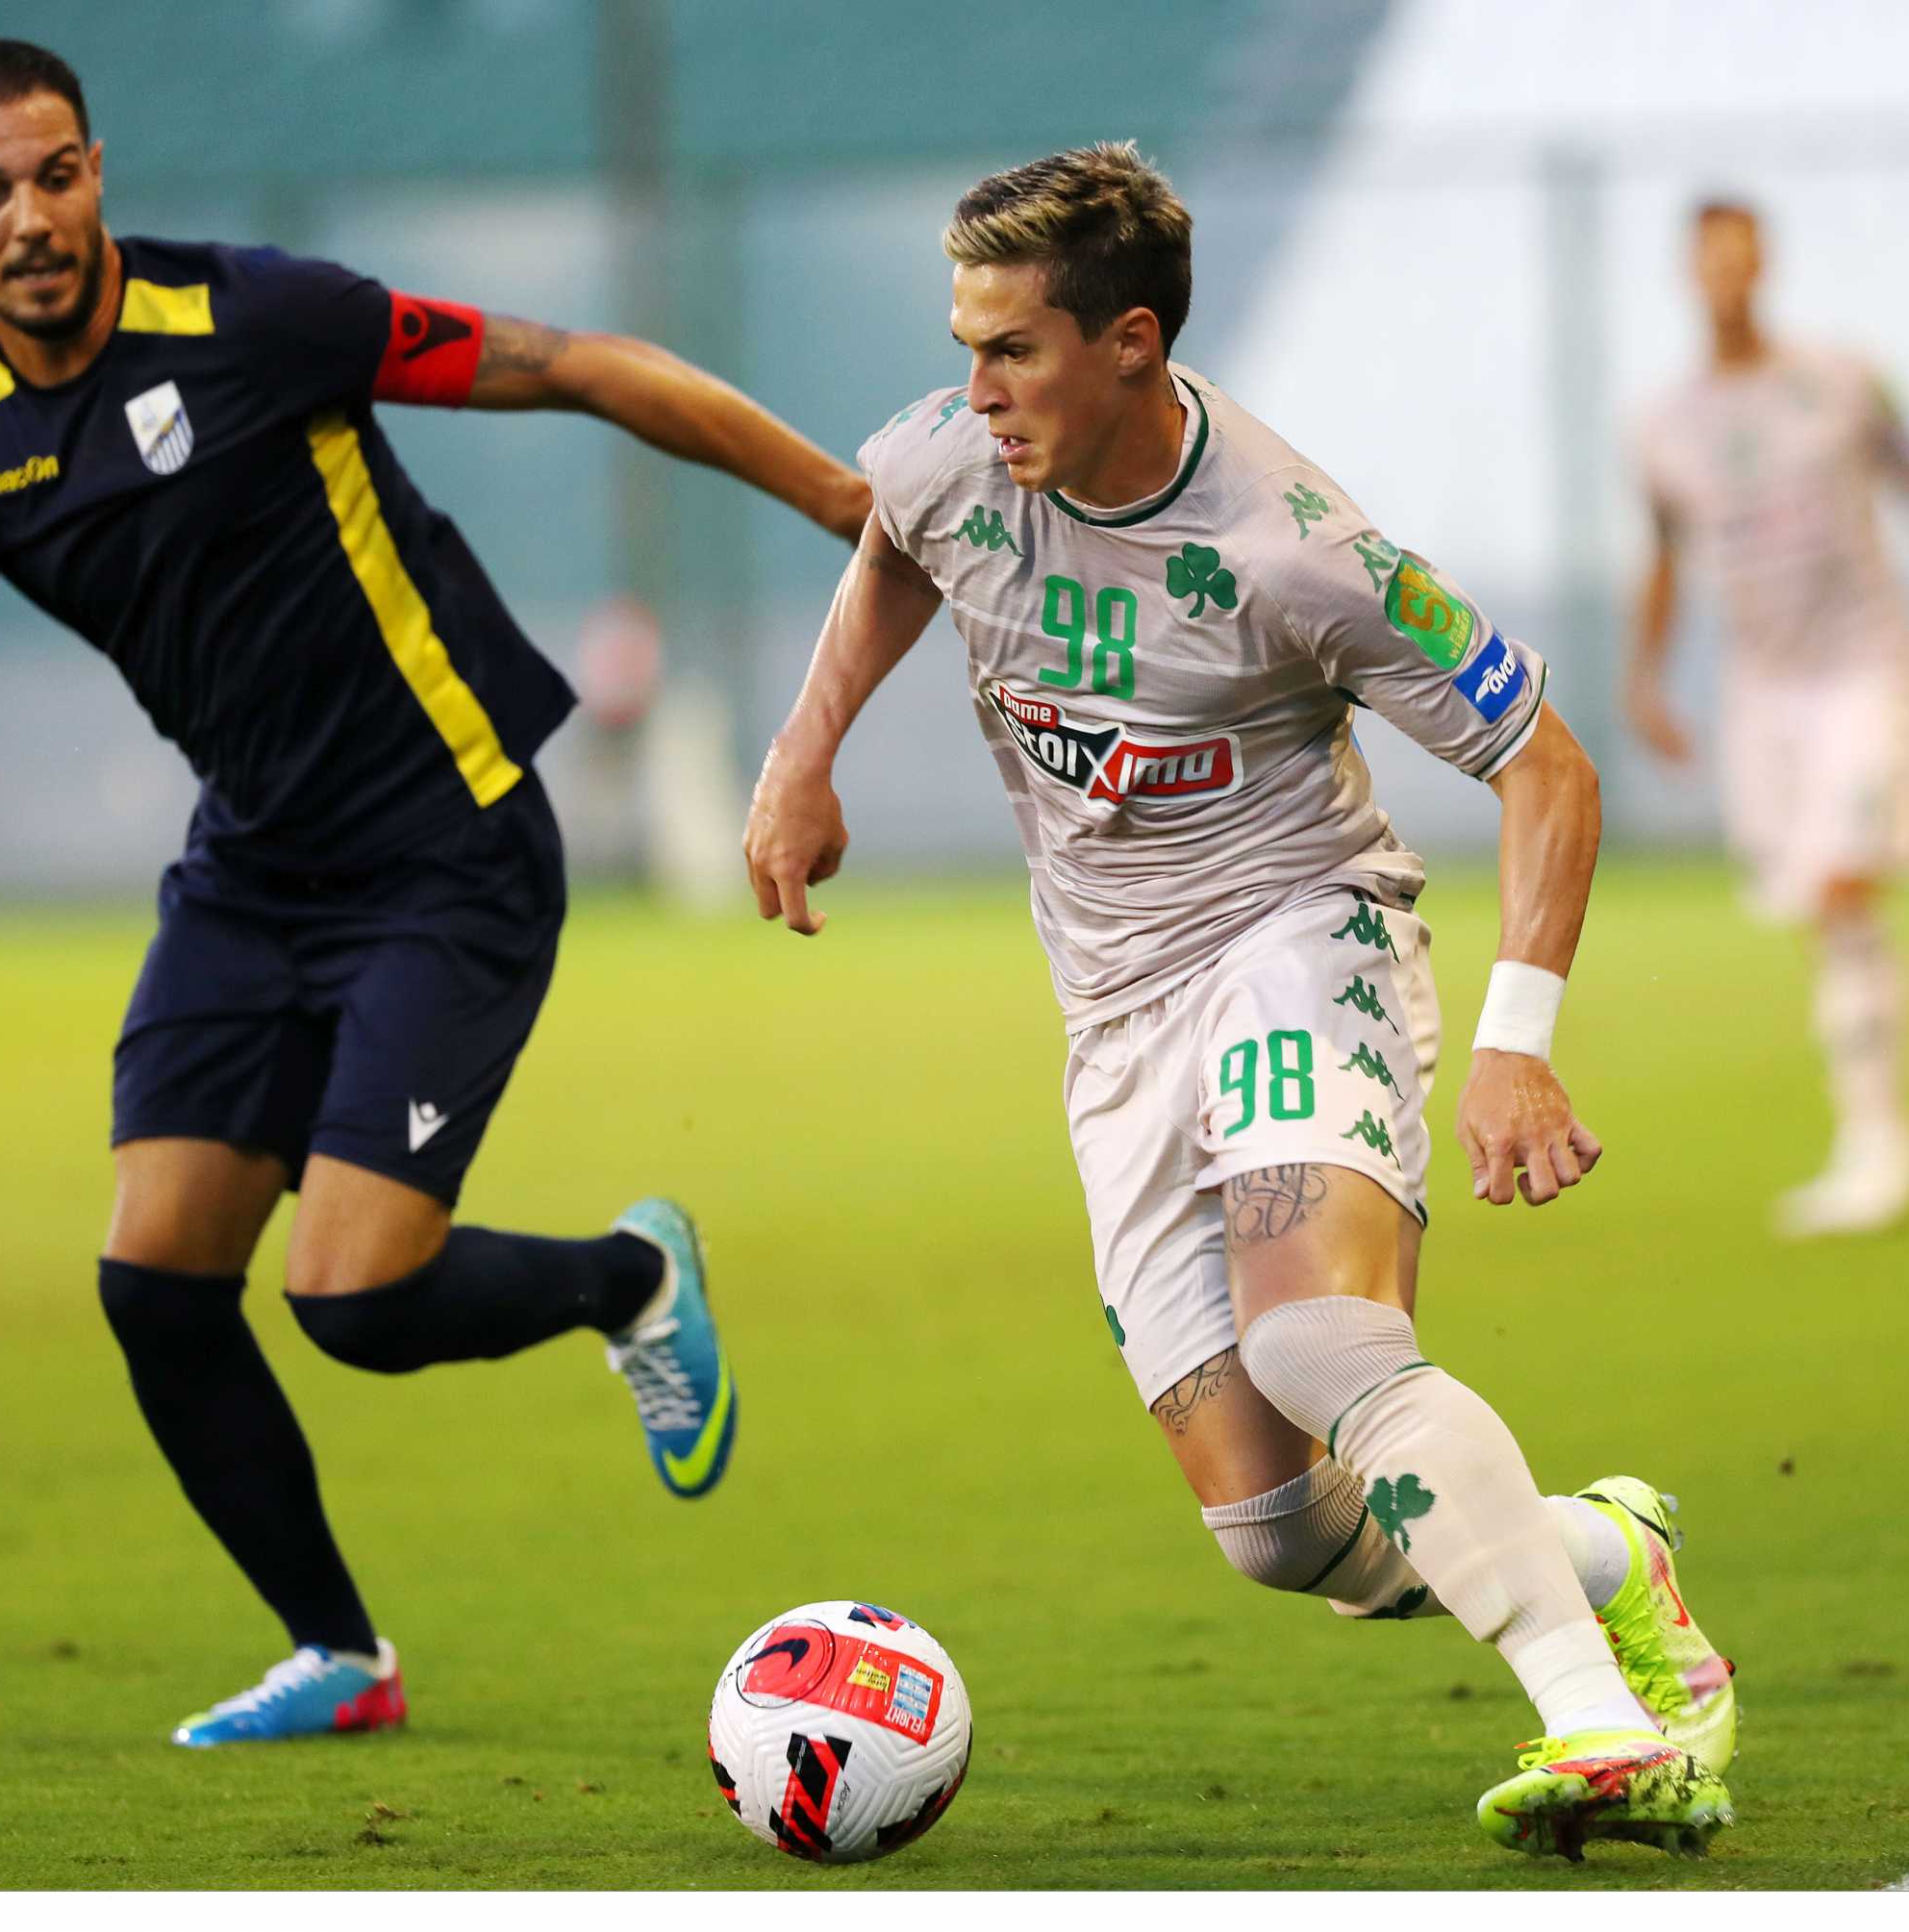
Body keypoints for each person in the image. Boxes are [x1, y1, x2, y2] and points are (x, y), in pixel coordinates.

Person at [0, 38, 867, 1747]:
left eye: (57, 175)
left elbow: (579, 365)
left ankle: (630, 1278)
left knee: (354, 1301)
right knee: (156, 1286)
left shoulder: (255, 317)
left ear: (99, 170)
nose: (30, 218)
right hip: (251, 873)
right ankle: (339, 1654)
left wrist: (847, 504)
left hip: (447, 845)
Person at [743, 141, 1736, 1862]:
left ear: (1131, 341)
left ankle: (1604, 1724)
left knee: (1318, 1337)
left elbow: (1547, 765)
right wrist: (801, 753)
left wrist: (1516, 1045)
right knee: (1278, 1528)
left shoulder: (1298, 547)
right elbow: (897, 536)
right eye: (966, 346)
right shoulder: (949, 454)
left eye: (1014, 351)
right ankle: (1605, 1552)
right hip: (1116, 1012)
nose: (975, 392)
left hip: (1298, 931)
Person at [1626, 198, 1909, 1238]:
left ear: (1764, 264)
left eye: (1741, 258)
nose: (1727, 277)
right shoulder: (1663, 422)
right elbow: (1663, 553)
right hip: (1761, 687)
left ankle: (1879, 1147)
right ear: (1690, 274)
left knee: (1842, 883)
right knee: (1823, 911)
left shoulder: (1844, 380)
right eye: (1709, 261)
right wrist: (1646, 679)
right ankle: (1874, 1138)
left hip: (1866, 666)